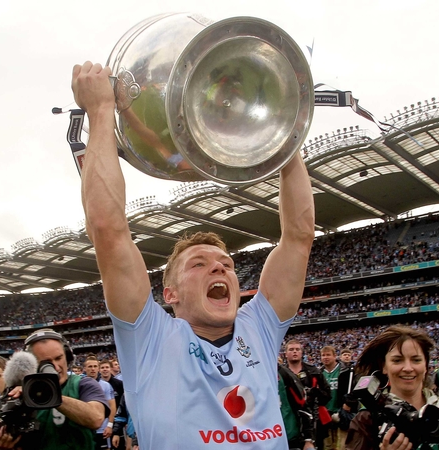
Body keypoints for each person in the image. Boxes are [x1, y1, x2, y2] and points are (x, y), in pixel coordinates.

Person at [72, 59, 315, 449]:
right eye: (198, 265)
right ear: (170, 294)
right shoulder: (150, 338)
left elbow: (299, 236)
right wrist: (100, 111)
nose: (218, 266)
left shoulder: (260, 330)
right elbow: (108, 231)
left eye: (227, 265)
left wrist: (284, 132)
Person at [344, 325, 439, 450]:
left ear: (426, 366)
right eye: (397, 360)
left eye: (416, 360)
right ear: (384, 366)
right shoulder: (367, 420)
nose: (408, 368)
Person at [0, 328, 108, 450]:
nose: (55, 367)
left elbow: (96, 418)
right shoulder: (21, 393)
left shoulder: (84, 383)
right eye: (46, 362)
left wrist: (49, 394)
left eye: (58, 358)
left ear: (67, 357)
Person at [286, 340, 332, 448]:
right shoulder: (281, 373)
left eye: (297, 349)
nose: (295, 352)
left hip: (314, 421)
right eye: (291, 349)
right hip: (289, 420)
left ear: (302, 353)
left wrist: (315, 393)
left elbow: (327, 395)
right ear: (286, 353)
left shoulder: (314, 371)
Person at [278, 364, 315, 450]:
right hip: (260, 439)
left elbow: (302, 404)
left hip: (289, 436)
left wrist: (308, 439)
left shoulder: (283, 373)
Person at [83, 356, 116, 450]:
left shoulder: (106, 385)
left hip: (102, 429)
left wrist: (110, 425)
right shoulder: (80, 384)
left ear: (98, 368)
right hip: (86, 428)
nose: (93, 369)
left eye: (95, 366)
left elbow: (112, 406)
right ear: (85, 368)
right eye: (90, 366)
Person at [320, 346, 342, 450]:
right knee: (327, 445)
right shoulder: (319, 373)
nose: (325, 357)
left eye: (328, 355)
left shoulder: (344, 371)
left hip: (341, 413)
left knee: (341, 445)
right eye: (323, 355)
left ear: (335, 356)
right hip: (325, 414)